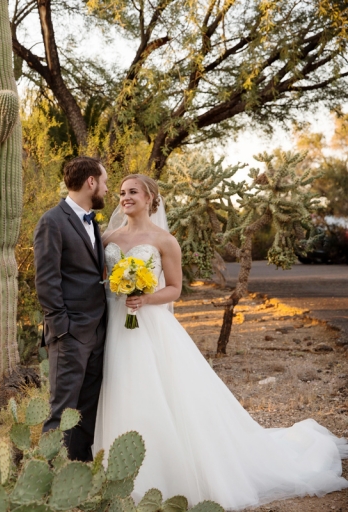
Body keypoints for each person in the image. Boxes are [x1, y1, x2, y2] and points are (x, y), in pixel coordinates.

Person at [94, 173, 348, 510]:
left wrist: (146, 298)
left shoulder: (164, 241)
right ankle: (113, 472)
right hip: (114, 323)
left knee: (153, 392)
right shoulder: (107, 236)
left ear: (150, 198)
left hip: (148, 324)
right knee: (117, 389)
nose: (125, 198)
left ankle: (160, 476)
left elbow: (173, 288)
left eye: (133, 192)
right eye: (122, 192)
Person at [33, 156, 109, 462]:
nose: (106, 188)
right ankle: (46, 480)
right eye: (104, 182)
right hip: (70, 334)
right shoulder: (52, 221)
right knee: (62, 410)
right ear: (91, 182)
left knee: (87, 409)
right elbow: (46, 280)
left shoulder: (93, 222)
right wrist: (62, 328)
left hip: (97, 331)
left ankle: (78, 475)